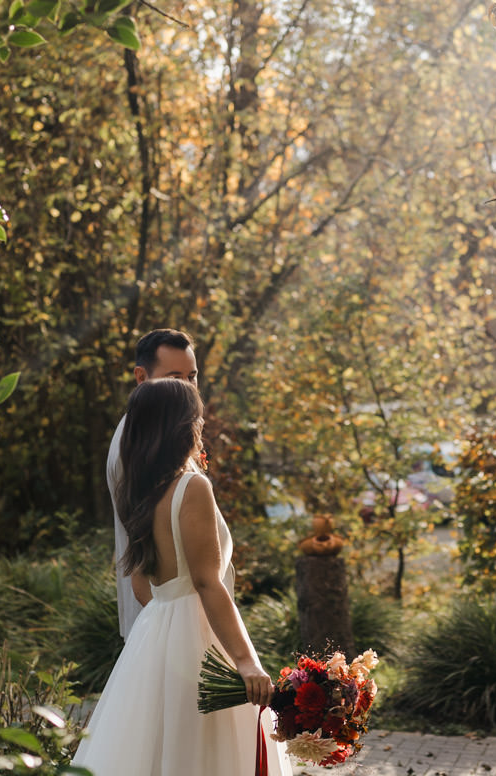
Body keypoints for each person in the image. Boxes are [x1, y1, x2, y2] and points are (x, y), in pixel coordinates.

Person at [73, 377, 291, 775]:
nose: (201, 427)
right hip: (199, 638)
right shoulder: (192, 487)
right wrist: (245, 662)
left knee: (159, 749)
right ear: (182, 427)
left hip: (154, 633)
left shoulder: (138, 493)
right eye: (198, 420)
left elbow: (140, 587)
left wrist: (166, 629)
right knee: (207, 753)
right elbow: (208, 582)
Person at [108, 328, 199, 639]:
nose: (188, 388)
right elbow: (143, 567)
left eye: (192, 377)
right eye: (175, 378)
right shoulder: (137, 447)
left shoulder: (167, 436)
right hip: (164, 626)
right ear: (141, 378)